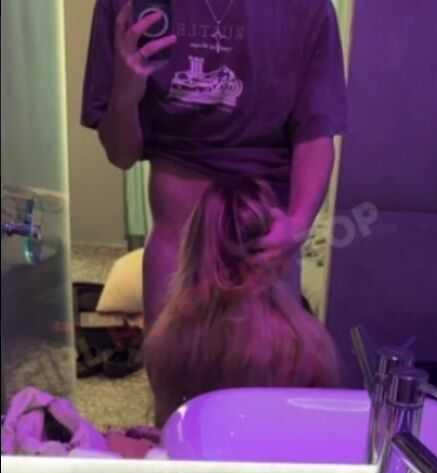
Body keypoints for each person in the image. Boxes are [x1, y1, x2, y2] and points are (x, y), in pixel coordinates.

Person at [82, 0, 347, 327]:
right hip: (176, 251)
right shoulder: (124, 6)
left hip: (263, 250)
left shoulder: (308, 8)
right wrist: (125, 94)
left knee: (266, 362)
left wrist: (298, 225)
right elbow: (121, 155)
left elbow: (315, 133)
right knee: (174, 362)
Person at [144, 175, 342, 426]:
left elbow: (169, 430)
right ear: (274, 249)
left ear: (195, 248)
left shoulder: (166, 343)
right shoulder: (307, 348)